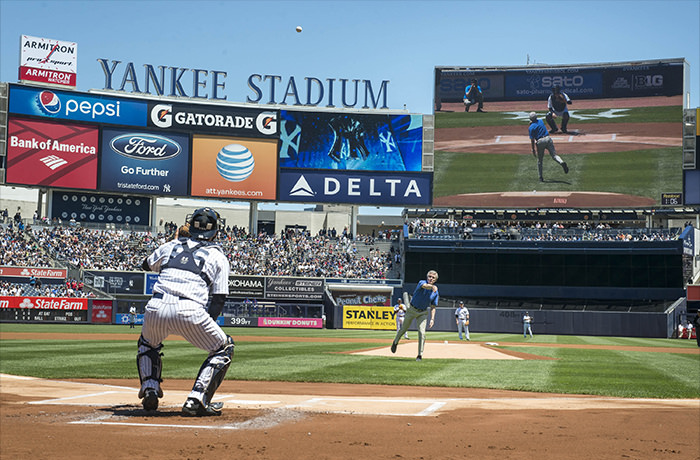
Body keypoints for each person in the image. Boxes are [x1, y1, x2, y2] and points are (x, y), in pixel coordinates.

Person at [136, 207, 234, 417]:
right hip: (190, 309)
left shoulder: (170, 246)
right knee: (223, 348)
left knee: (147, 344)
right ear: (216, 231)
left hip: (156, 306)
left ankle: (150, 388)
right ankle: (196, 399)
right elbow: (219, 298)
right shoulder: (218, 256)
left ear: (190, 225)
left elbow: (145, 264)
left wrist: (174, 241)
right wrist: (208, 323)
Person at [390, 270, 439, 361]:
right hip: (412, 309)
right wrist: (432, 286)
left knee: (422, 332)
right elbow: (425, 286)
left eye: (433, 277)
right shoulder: (422, 282)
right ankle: (395, 342)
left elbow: (433, 307)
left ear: (435, 280)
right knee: (403, 329)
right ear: (427, 277)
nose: (430, 278)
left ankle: (419, 355)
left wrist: (432, 319)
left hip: (423, 312)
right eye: (429, 276)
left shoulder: (435, 291)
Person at [529, 112, 569, 182]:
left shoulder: (531, 127)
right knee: (554, 155)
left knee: (540, 160)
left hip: (540, 141)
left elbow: (532, 140)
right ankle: (561, 162)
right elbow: (537, 123)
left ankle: (540, 177)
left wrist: (533, 149)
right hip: (548, 139)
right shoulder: (540, 121)